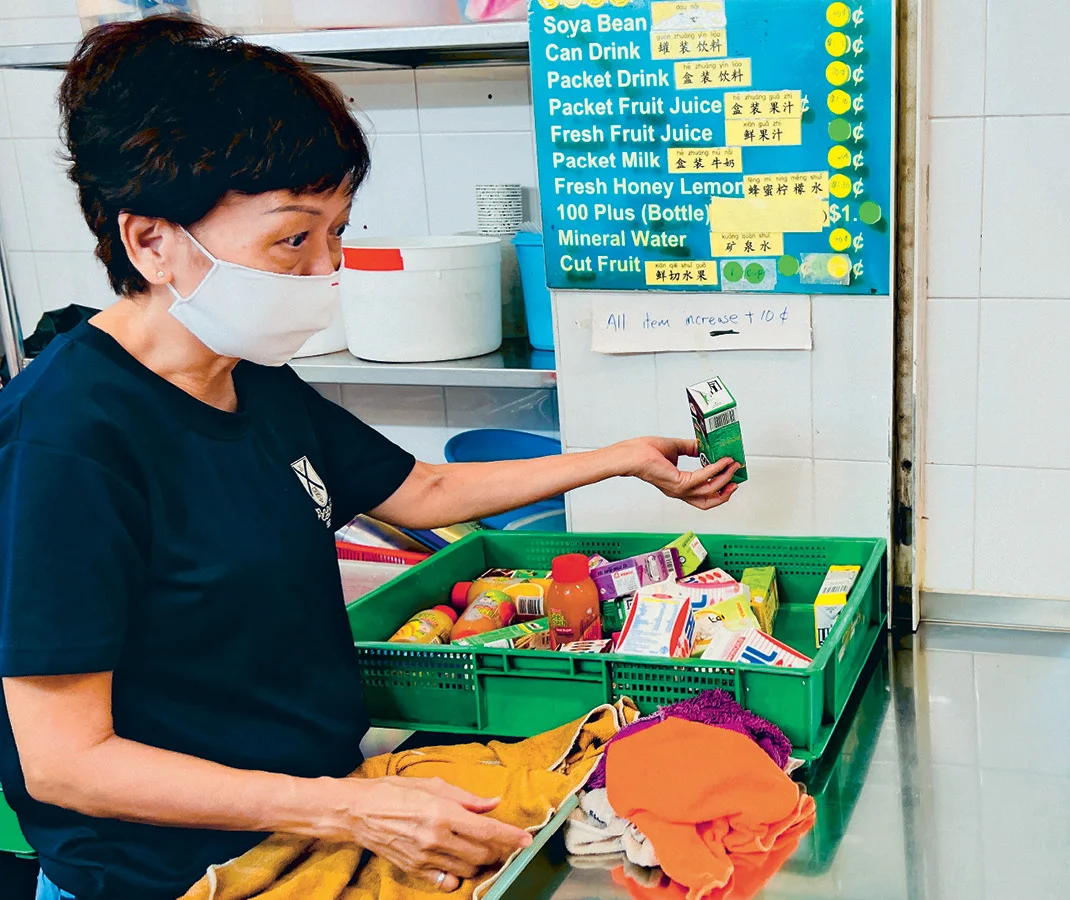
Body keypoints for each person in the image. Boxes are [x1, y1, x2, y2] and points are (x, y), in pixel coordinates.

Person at [0, 18, 740, 900]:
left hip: (309, 821)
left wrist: (621, 458)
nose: (328, 270)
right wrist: (347, 812)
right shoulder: (68, 440)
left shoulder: (253, 379)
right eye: (292, 239)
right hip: (173, 875)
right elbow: (65, 764)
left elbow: (420, 489)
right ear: (151, 240)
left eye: (337, 233)